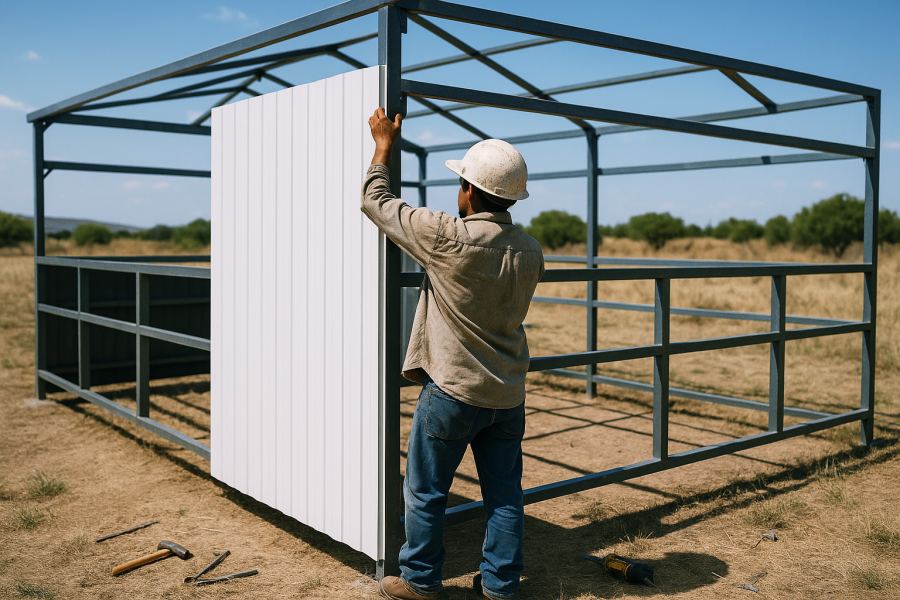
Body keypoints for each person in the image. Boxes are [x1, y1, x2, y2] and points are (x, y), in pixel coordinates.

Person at [362, 108, 544, 600]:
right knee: (504, 494)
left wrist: (383, 147)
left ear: (469, 189)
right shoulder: (531, 250)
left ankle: (420, 581)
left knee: (425, 491)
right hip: (506, 392)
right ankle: (501, 585)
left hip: (452, 389)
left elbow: (376, 203)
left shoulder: (449, 236)